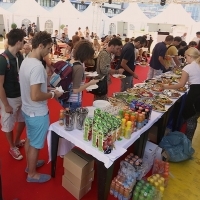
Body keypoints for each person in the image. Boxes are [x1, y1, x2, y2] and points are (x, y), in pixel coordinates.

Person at [19, 31, 63, 183]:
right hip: (37, 112)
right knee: (36, 144)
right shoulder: (37, 66)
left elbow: (32, 88)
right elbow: (36, 95)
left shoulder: (26, 60)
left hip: (27, 109)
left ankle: (29, 165)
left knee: (30, 140)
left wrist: (48, 89)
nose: (49, 52)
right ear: (40, 45)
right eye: (48, 48)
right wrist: (52, 95)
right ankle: (32, 174)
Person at [161, 47, 200, 141]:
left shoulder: (189, 67)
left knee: (190, 119)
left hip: (195, 95)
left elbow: (181, 84)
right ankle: (187, 140)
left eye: (186, 57)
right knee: (195, 117)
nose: (185, 59)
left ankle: (186, 141)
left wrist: (166, 87)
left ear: (190, 56)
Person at [0, 28, 26, 160]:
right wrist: (5, 104)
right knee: (8, 123)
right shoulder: (3, 59)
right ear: (18, 42)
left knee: (22, 119)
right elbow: (0, 85)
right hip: (10, 98)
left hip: (21, 95)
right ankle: (11, 147)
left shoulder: (20, 56)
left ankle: (16, 141)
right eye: (23, 41)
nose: (24, 44)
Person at [61, 40, 99, 109]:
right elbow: (76, 90)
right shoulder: (79, 67)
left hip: (67, 99)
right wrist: (90, 83)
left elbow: (73, 78)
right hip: (74, 101)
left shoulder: (70, 61)